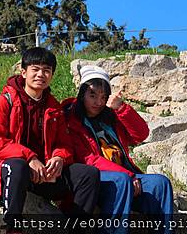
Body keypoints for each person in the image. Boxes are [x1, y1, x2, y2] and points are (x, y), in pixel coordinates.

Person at [0, 47, 100, 233]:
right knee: (17, 166)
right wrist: (30, 158)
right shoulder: (5, 102)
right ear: (24, 71)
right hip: (13, 172)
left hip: (44, 174)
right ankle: (13, 227)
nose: (40, 74)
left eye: (46, 70)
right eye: (35, 69)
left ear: (52, 75)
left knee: (88, 174)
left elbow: (64, 145)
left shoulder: (54, 108)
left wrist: (59, 158)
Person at [63, 65, 173, 234]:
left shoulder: (111, 117)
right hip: (96, 180)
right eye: (92, 95)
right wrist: (128, 175)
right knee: (121, 180)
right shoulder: (71, 120)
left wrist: (121, 108)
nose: (98, 102)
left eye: (103, 97)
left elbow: (141, 134)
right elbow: (89, 159)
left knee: (160, 183)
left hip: (126, 177)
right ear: (81, 94)